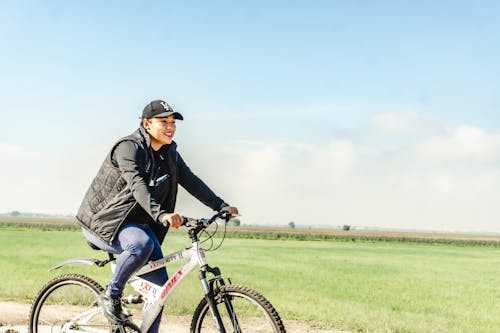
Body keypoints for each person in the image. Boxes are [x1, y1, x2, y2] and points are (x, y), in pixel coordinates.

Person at [75, 99, 238, 331]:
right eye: (164, 122)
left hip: (136, 224)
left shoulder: (169, 152)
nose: (170, 126)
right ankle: (110, 295)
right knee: (140, 245)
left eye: (173, 122)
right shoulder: (128, 148)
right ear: (147, 124)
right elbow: (137, 185)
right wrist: (161, 214)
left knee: (160, 292)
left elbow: (190, 180)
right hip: (104, 222)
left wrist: (220, 205)